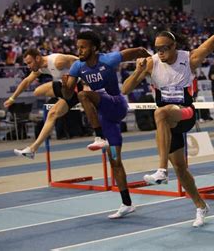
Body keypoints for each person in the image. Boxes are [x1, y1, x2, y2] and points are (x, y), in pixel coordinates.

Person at [122, 31, 214, 227]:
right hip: (168, 125)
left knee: (159, 114)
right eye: (157, 49)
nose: (160, 52)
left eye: (165, 48)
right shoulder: (151, 63)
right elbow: (125, 90)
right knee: (180, 168)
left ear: (174, 47)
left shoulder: (189, 58)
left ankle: (161, 171)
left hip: (185, 113)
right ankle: (200, 205)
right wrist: (138, 71)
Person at [62, 30, 151, 219]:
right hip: (105, 117)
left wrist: (152, 63)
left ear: (94, 48)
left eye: (83, 47)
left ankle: (99, 136)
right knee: (115, 161)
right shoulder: (78, 66)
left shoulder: (109, 59)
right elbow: (68, 94)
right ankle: (127, 203)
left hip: (116, 103)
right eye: (77, 47)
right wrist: (64, 86)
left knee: (83, 94)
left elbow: (139, 50)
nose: (79, 50)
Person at [7, 49, 79, 159]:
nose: (28, 66)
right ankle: (32, 150)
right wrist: (13, 98)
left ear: (38, 58)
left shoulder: (57, 61)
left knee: (52, 111)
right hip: (65, 87)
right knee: (45, 104)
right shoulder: (40, 68)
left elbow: (78, 61)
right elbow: (26, 81)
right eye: (26, 64)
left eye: (29, 63)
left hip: (78, 87)